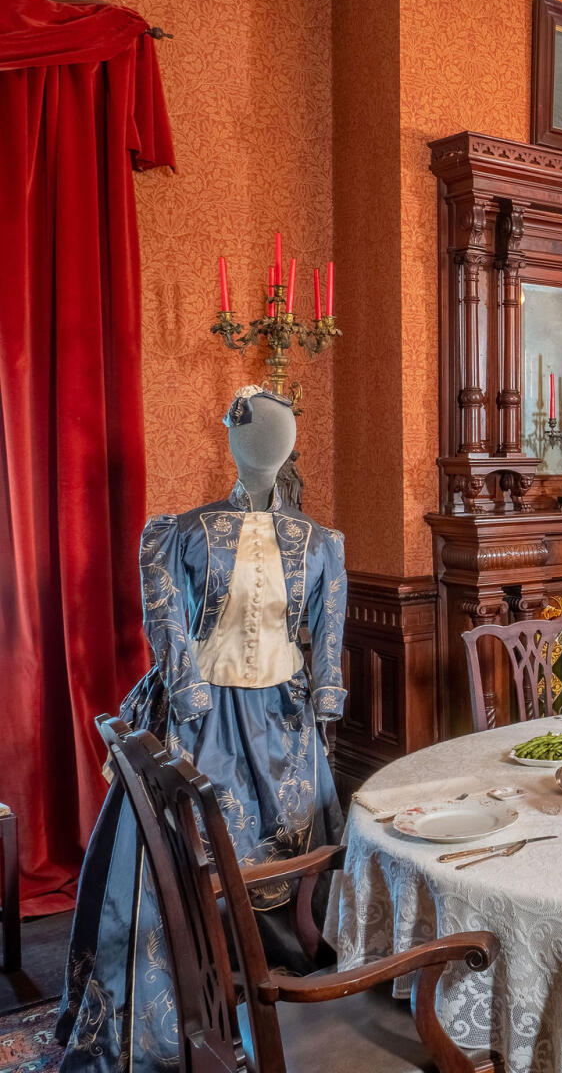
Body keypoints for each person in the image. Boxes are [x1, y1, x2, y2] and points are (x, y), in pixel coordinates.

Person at [57, 387, 347, 1073]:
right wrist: (187, 692)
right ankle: (189, 998)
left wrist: (325, 701)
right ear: (235, 446)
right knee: (179, 854)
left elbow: (328, 638)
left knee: (301, 838)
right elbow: (168, 627)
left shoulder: (321, 543)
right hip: (200, 717)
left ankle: (284, 984)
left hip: (284, 725)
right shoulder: (180, 533)